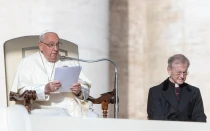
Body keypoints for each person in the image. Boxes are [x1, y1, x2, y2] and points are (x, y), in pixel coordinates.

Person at [10, 31, 98, 118]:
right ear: (41, 46)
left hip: (74, 108)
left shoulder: (70, 61)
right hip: (44, 108)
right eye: (51, 45)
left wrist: (79, 91)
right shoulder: (28, 62)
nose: (56, 49)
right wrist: (45, 89)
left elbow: (86, 88)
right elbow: (22, 92)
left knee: (94, 117)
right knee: (63, 116)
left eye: (57, 44)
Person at [147, 54, 206, 122]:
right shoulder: (155, 92)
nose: (182, 76)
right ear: (169, 70)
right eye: (178, 73)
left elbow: (199, 117)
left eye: (185, 72)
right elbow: (156, 118)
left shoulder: (194, 92)